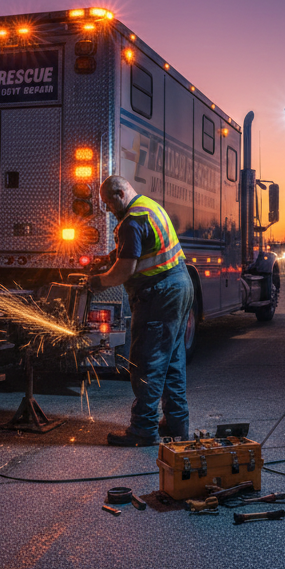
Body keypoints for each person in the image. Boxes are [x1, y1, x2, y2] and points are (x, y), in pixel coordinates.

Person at [88, 175, 194, 446]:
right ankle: (176, 424)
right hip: (180, 285)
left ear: (120, 194)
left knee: (148, 360)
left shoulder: (131, 221)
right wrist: (108, 257)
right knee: (172, 360)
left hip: (159, 293)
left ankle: (143, 429)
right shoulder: (148, 206)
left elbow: (125, 270)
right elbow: (140, 249)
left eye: (108, 203)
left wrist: (98, 282)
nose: (108, 210)